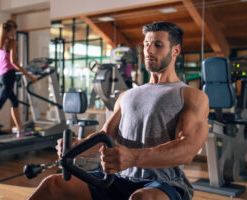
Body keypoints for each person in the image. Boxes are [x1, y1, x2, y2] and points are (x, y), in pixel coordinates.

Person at [27, 21, 209, 200]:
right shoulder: (127, 95)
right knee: (52, 185)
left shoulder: (191, 95)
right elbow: (106, 136)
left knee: (142, 198)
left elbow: (187, 149)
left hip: (163, 183)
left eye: (158, 45)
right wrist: (78, 147)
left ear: (175, 50)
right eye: (146, 44)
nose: (149, 50)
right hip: (118, 178)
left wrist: (133, 157)